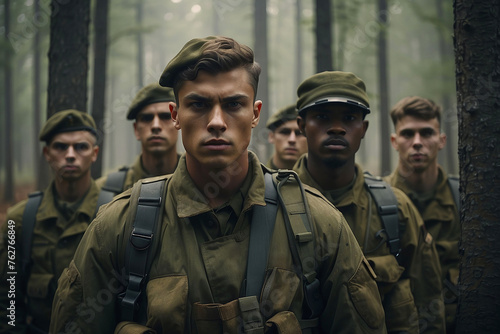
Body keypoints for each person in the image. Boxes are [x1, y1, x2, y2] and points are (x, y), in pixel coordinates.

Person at [50, 36, 386, 334]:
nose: (216, 122)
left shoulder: (318, 223)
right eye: (198, 104)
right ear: (176, 114)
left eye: (233, 104)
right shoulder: (120, 226)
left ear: (255, 114)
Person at [292, 71, 446, 334]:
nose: (337, 128)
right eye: (322, 117)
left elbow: (428, 303)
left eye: (350, 118)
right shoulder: (273, 206)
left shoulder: (395, 209)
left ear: (363, 129)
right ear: (301, 125)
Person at [0, 110, 100, 333]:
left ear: (94, 153)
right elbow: (8, 295)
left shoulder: (114, 212)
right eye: (61, 147)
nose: (71, 154)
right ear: (47, 153)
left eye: (81, 147)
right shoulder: (20, 219)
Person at [385, 96, 459, 334]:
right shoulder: (377, 201)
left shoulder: (464, 200)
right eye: (408, 134)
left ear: (441, 140)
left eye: (427, 133)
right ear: (395, 141)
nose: (417, 142)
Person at [96, 83, 181, 199]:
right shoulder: (105, 190)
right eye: (147, 118)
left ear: (178, 122)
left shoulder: (199, 182)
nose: (156, 126)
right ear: (136, 130)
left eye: (166, 117)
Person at [265, 104, 307, 169]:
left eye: (299, 133)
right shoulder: (257, 177)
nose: (292, 139)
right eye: (285, 132)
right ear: (271, 136)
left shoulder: (322, 178)